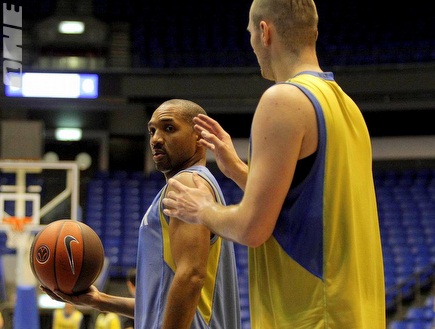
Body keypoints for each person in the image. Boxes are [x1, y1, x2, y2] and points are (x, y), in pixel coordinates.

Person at [161, 0, 386, 328]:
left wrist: (201, 209)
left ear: (265, 32)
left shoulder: (282, 100)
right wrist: (236, 169)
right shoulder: (347, 107)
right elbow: (297, 205)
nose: (251, 42)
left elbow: (252, 228)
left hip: (310, 316)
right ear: (313, 32)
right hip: (352, 313)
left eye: (251, 33)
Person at [41, 99, 241, 329]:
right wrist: (100, 301)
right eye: (152, 130)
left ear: (199, 136)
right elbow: (159, 308)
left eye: (169, 128)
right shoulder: (195, 185)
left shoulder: (186, 184)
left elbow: (191, 276)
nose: (156, 139)